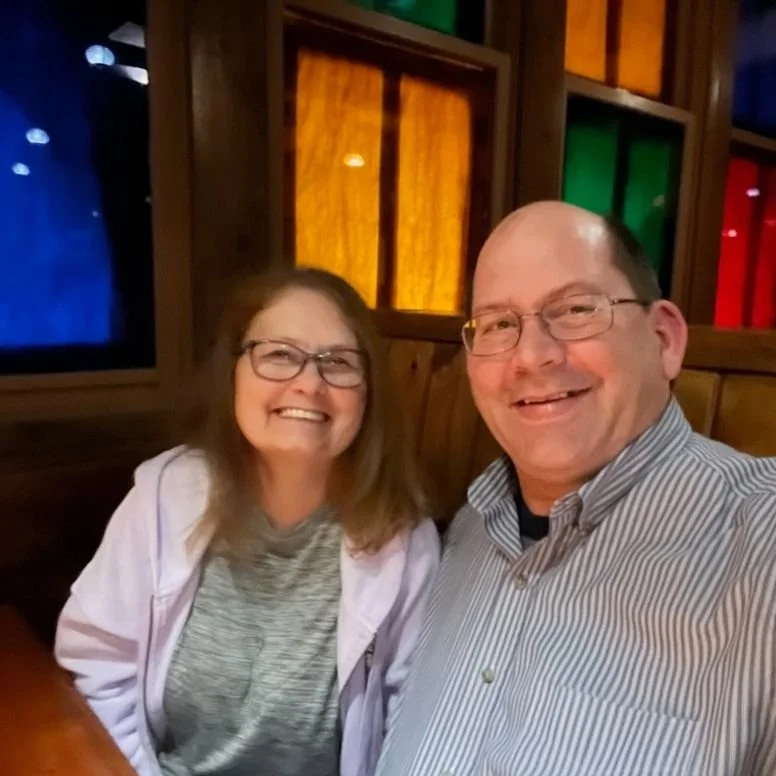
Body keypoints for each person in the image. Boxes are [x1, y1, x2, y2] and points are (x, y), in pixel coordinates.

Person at [376, 201, 776, 776]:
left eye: (575, 310)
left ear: (664, 339)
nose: (532, 356)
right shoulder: (468, 528)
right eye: (497, 324)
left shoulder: (758, 546)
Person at [55, 266, 440, 776]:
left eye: (339, 362)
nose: (309, 382)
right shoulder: (165, 495)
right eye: (279, 355)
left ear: (368, 393)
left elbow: (409, 724)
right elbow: (99, 663)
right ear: (233, 370)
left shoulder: (404, 537)